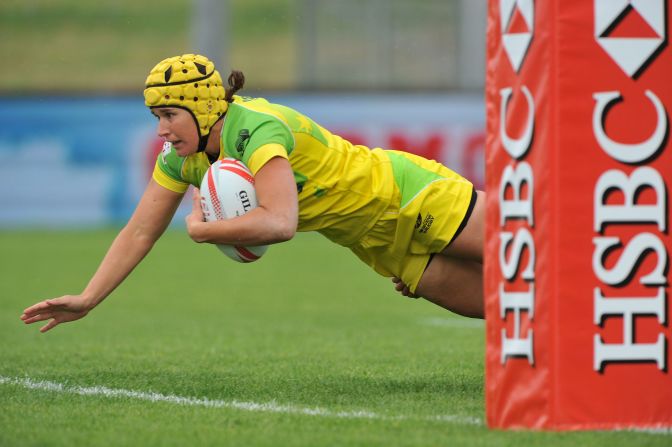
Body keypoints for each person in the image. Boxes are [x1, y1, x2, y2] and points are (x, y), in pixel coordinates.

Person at [21, 54, 485, 333]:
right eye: (155, 118)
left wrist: (207, 231)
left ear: (202, 107)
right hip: (377, 244)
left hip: (410, 195)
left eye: (169, 115)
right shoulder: (182, 158)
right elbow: (140, 230)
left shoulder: (257, 129)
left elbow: (279, 222)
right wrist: (88, 298)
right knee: (511, 309)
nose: (161, 130)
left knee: (537, 257)